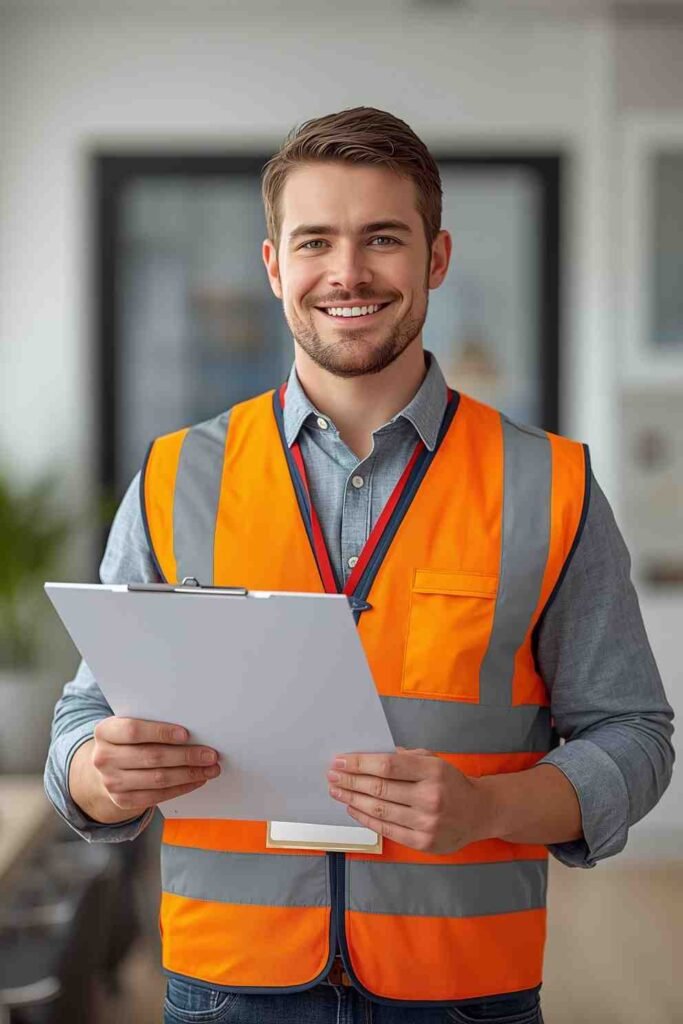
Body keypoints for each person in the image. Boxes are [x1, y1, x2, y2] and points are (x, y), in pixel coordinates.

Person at [45, 107, 675, 1024]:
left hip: (462, 989)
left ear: (435, 258)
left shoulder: (549, 485)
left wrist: (488, 809)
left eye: (382, 237)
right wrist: (98, 776)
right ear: (274, 267)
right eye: (315, 242)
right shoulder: (175, 477)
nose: (347, 272)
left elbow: (633, 737)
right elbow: (83, 720)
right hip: (226, 988)